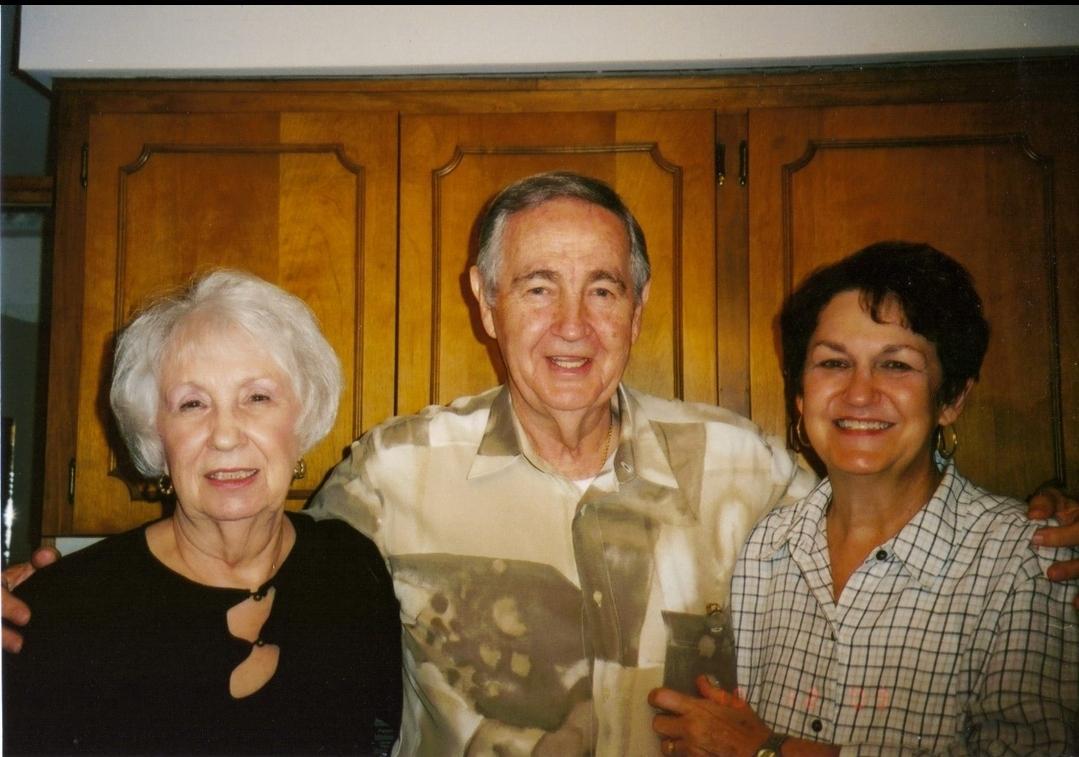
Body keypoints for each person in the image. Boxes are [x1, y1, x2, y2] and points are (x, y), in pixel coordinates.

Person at [5, 175, 1078, 755]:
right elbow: (236, 553)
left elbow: (880, 488)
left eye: (601, 287)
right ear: (483, 302)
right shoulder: (388, 474)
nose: (570, 325)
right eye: (534, 287)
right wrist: (49, 596)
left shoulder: (747, 467)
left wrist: (1046, 526)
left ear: (637, 307)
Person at [650, 242, 1078, 755]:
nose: (859, 393)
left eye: (896, 366)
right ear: (801, 396)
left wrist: (771, 753)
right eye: (833, 363)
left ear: (952, 399)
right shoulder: (764, 547)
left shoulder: (1025, 561)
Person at [3, 270, 402, 755]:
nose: (226, 434)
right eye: (192, 404)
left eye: (257, 397)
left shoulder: (350, 571)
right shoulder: (67, 611)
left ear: (302, 419)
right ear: (156, 436)